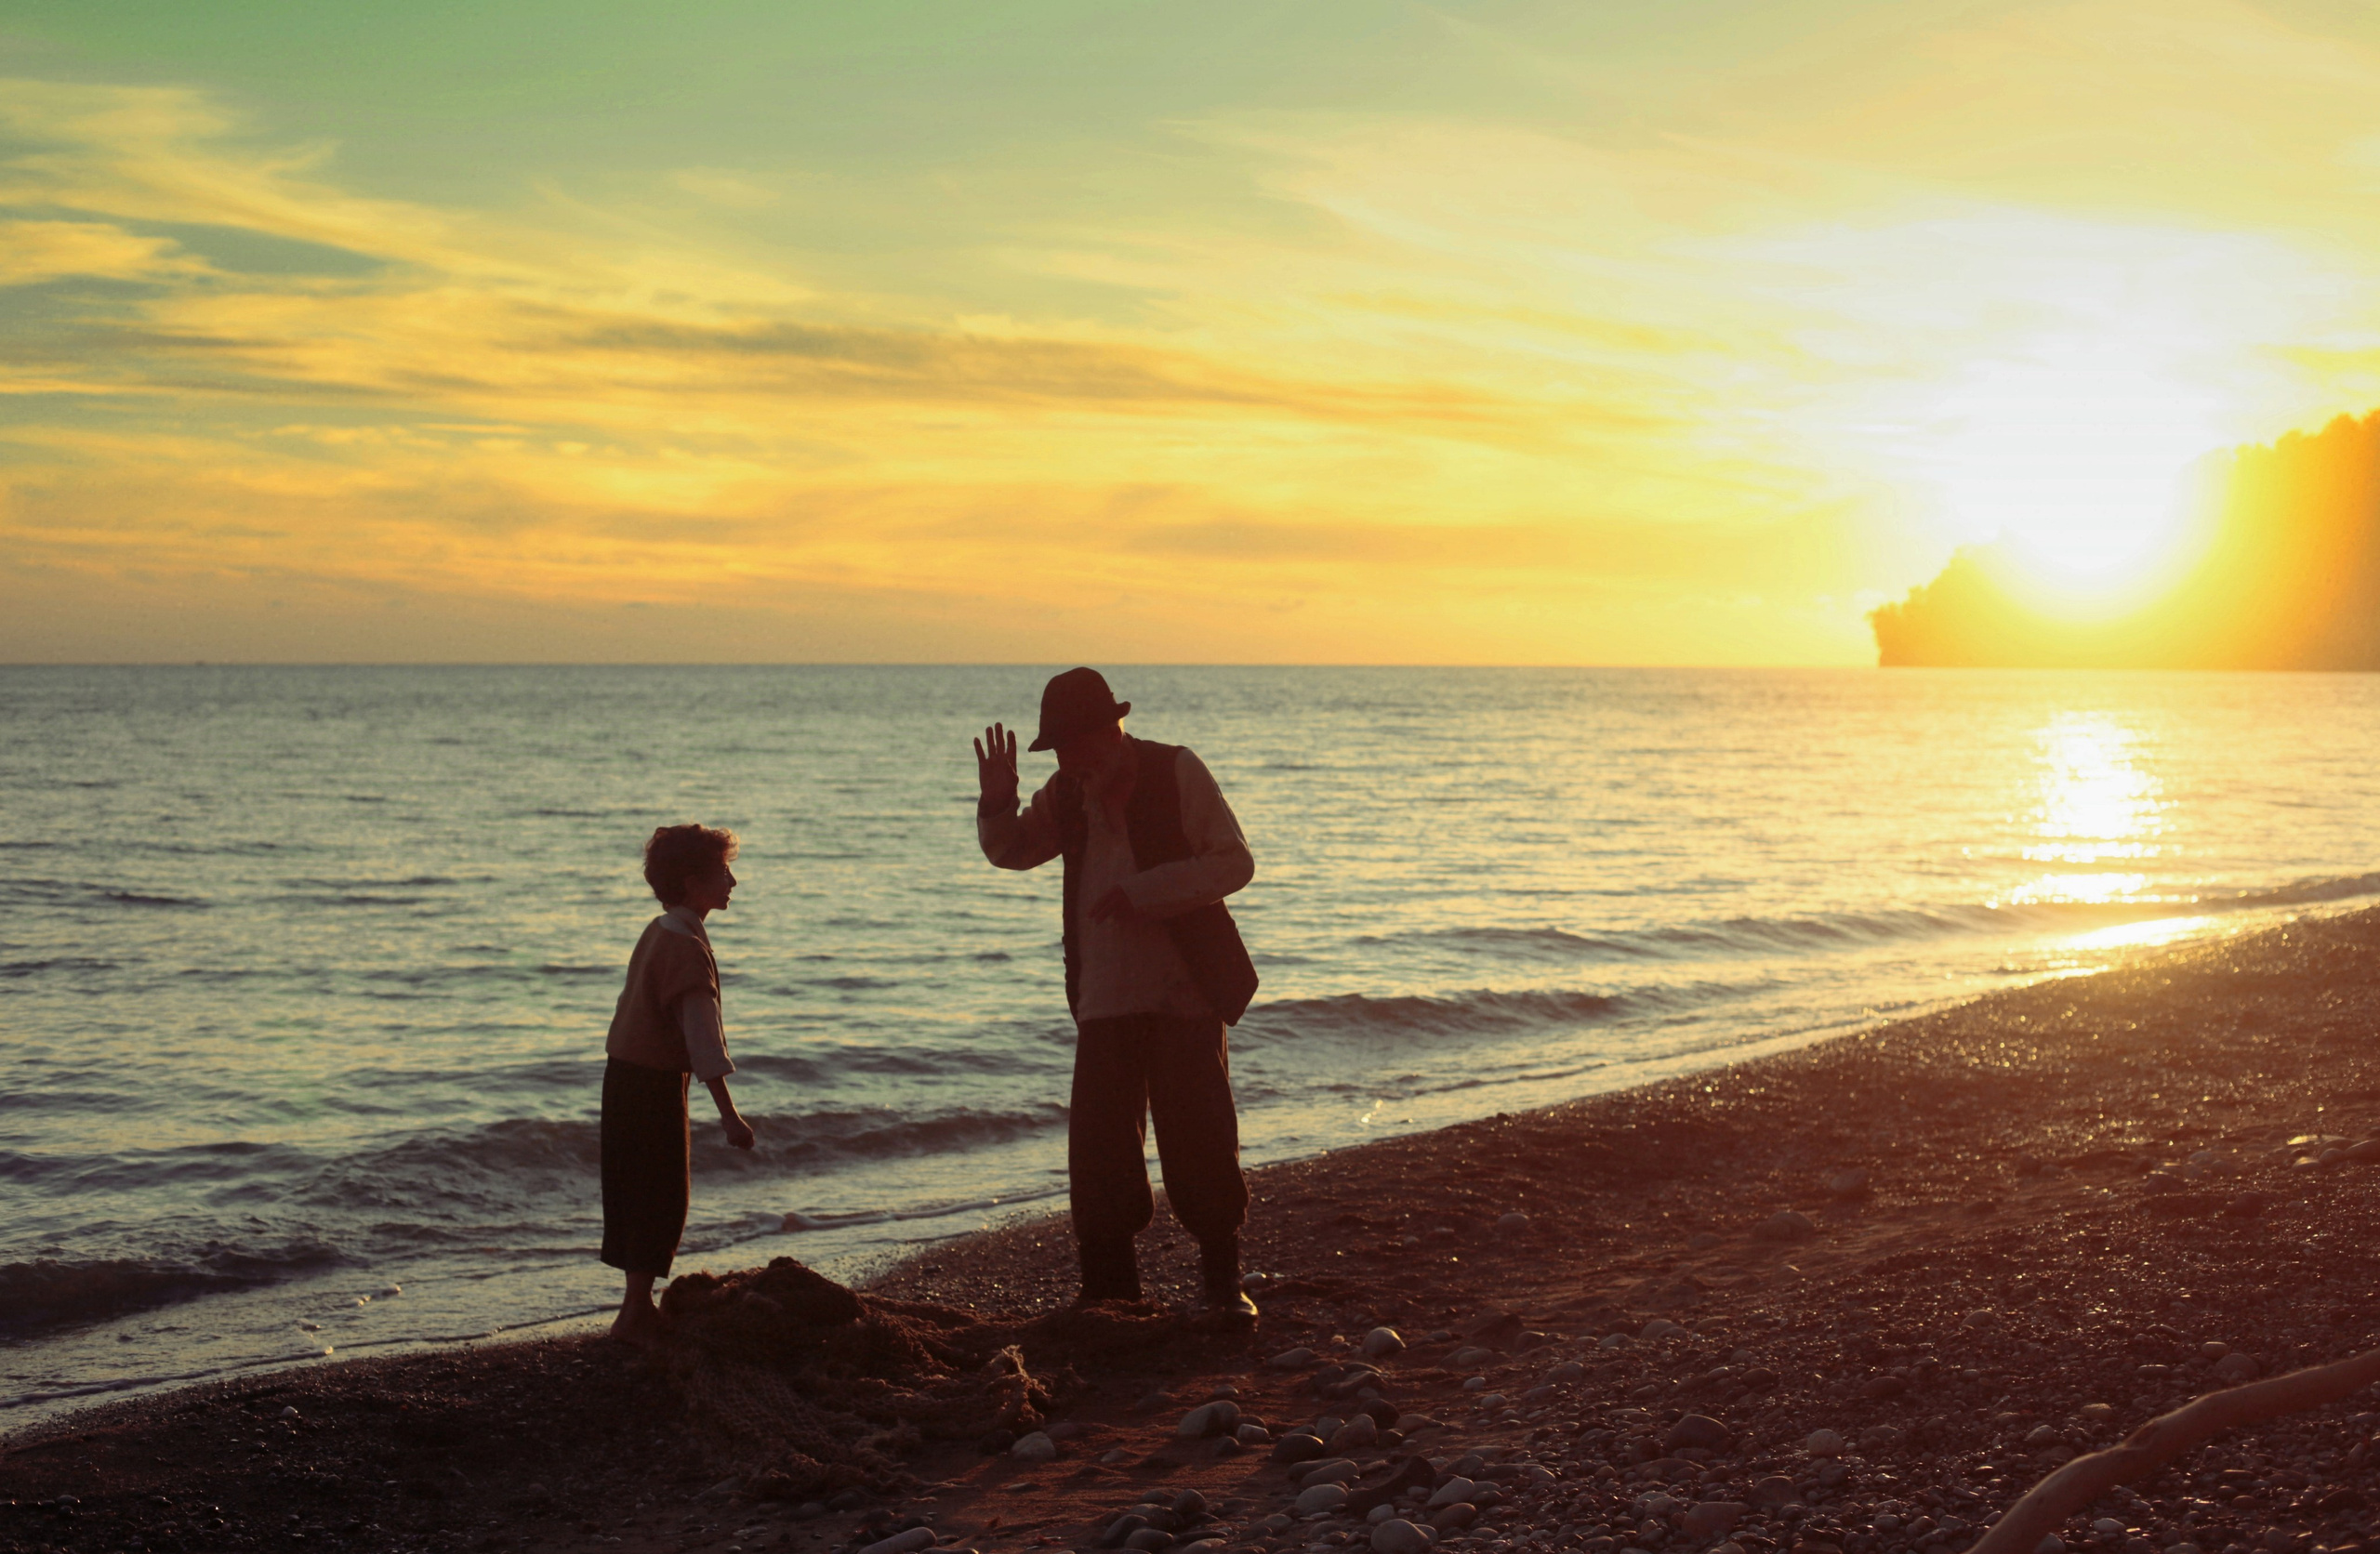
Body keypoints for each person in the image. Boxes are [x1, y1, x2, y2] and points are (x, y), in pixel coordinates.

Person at [974, 667, 1262, 1320]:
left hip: (1185, 993)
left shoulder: (1175, 770)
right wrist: (997, 801)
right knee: (1100, 1150)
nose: (1068, 760)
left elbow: (1233, 862)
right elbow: (1014, 851)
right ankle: (1110, 1293)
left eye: (1074, 745)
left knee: (1201, 1140)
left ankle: (1222, 1284)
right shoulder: (1067, 794)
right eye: (1059, 750)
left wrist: (1144, 892)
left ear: (1110, 731)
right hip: (1102, 997)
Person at [599, 823, 757, 1346]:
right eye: (724, 871)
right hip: (652, 1085)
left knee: (631, 1190)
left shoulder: (659, 928)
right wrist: (730, 1116)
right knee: (661, 1194)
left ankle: (633, 1307)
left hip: (621, 1076)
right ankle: (634, 1315)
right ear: (693, 883)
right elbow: (703, 1040)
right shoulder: (687, 948)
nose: (733, 881)